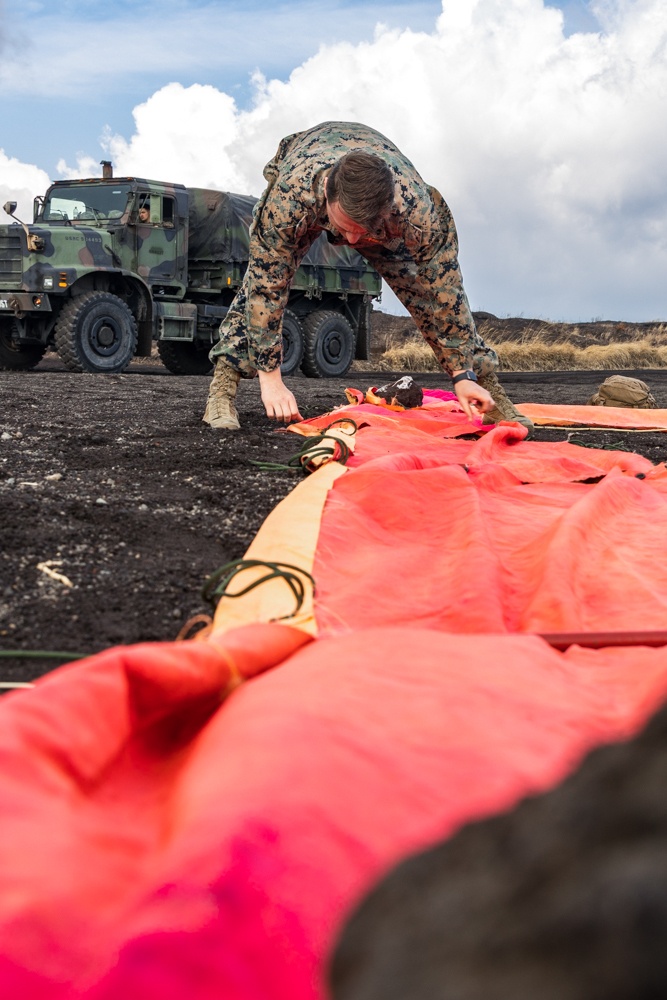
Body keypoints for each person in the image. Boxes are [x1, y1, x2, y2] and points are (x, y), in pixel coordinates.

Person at [203, 121, 532, 434]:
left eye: (362, 231)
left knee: (426, 293)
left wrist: (465, 373)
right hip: (306, 159)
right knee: (255, 288)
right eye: (345, 227)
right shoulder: (291, 198)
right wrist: (270, 377)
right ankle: (222, 391)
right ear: (327, 199)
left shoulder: (417, 210)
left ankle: (489, 395)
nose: (352, 242)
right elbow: (266, 287)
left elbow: (446, 293)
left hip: (385, 203)